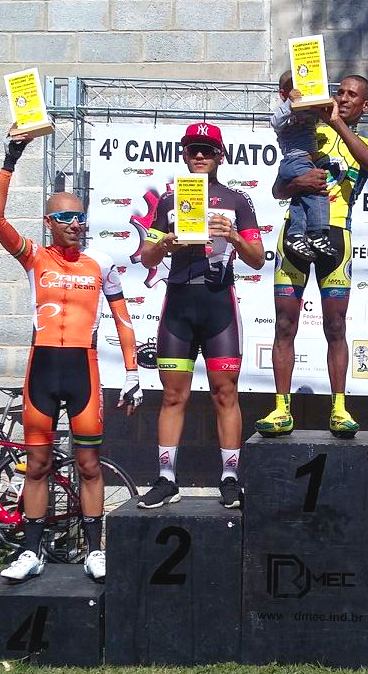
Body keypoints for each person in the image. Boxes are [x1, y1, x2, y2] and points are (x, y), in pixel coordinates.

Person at [0, 132, 142, 583]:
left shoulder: (99, 262)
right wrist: (12, 154)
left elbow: (122, 319)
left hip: (84, 368)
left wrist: (134, 371)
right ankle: (30, 551)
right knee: (38, 465)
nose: (75, 224)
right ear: (49, 221)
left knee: (88, 465)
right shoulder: (34, 257)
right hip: (42, 369)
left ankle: (94, 549)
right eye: (65, 217)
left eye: (80, 217)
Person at [138, 122, 264, 510]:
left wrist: (235, 236)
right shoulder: (170, 200)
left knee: (225, 393)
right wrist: (167, 244)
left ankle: (229, 477)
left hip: (218, 306)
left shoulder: (238, 201)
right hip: (178, 305)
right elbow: (146, 256)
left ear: (220, 156)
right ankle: (166, 479)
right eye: (192, 149)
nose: (199, 155)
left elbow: (258, 259)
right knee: (174, 395)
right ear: (183, 154)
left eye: (206, 150)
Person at [255, 75, 368, 439]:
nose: (342, 98)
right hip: (292, 235)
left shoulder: (363, 142)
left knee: (336, 327)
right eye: (338, 91)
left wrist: (336, 122)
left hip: (336, 238)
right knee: (283, 324)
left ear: (364, 105)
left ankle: (339, 408)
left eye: (351, 95)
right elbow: (279, 188)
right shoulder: (308, 128)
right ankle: (281, 408)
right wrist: (299, 184)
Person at [271, 70, 336, 261]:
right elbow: (275, 122)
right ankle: (317, 232)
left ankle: (296, 235)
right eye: (293, 88)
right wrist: (290, 103)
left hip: (306, 160)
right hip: (295, 160)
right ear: (284, 93)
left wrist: (327, 101)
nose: (299, 91)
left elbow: (326, 115)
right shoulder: (286, 111)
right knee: (317, 190)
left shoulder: (309, 111)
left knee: (301, 198)